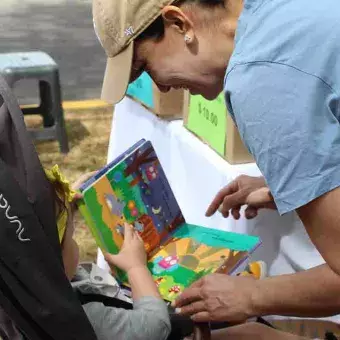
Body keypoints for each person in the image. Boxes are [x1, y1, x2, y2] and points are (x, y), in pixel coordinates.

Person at [92, 0, 340, 337]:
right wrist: (295, 181)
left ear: (180, 24)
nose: (161, 88)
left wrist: (252, 296)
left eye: (147, 68)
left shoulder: (261, 82)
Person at [45, 165, 171, 340]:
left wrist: (65, 204)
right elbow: (155, 326)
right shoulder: (82, 319)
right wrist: (136, 267)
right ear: (55, 259)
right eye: (71, 236)